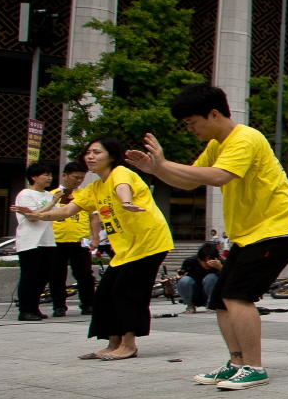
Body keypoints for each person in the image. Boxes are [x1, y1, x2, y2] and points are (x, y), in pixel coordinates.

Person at [125, 84, 288, 387]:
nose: (190, 129)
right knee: (221, 300)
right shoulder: (217, 144)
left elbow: (220, 176)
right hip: (251, 234)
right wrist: (156, 170)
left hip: (278, 230)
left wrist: (165, 163)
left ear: (213, 114)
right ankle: (237, 362)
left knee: (238, 296)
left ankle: (255, 367)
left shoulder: (245, 138)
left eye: (191, 122)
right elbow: (188, 181)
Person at [21, 138, 175, 361]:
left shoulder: (120, 172)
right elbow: (66, 211)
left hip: (150, 242)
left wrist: (125, 202)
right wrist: (38, 215)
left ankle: (129, 345)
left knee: (126, 291)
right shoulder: (94, 188)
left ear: (112, 156)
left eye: (96, 152)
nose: (89, 157)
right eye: (88, 153)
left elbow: (123, 188)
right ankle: (113, 343)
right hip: (125, 249)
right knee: (103, 294)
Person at [47, 161, 99, 317]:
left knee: (84, 274)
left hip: (79, 241)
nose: (78, 181)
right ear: (64, 176)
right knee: (56, 275)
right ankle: (59, 306)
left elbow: (94, 217)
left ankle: (88, 304)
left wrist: (95, 238)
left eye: (81, 178)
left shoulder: (85, 194)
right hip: (56, 241)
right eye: (75, 177)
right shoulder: (52, 195)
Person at [11, 161, 57, 322]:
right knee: (29, 276)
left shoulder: (49, 195)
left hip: (48, 241)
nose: (49, 178)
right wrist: (51, 204)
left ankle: (35, 306)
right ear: (34, 177)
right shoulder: (25, 194)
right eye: (46, 175)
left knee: (44, 275)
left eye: (50, 175)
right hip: (30, 241)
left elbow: (51, 215)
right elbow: (32, 217)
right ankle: (25, 310)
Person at [176, 242, 222, 312]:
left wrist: (221, 268)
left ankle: (211, 304)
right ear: (199, 259)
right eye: (205, 261)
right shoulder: (190, 262)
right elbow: (182, 274)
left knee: (211, 277)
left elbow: (229, 280)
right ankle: (190, 304)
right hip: (194, 292)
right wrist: (180, 275)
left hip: (211, 294)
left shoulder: (220, 263)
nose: (208, 264)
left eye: (210, 261)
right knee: (184, 280)